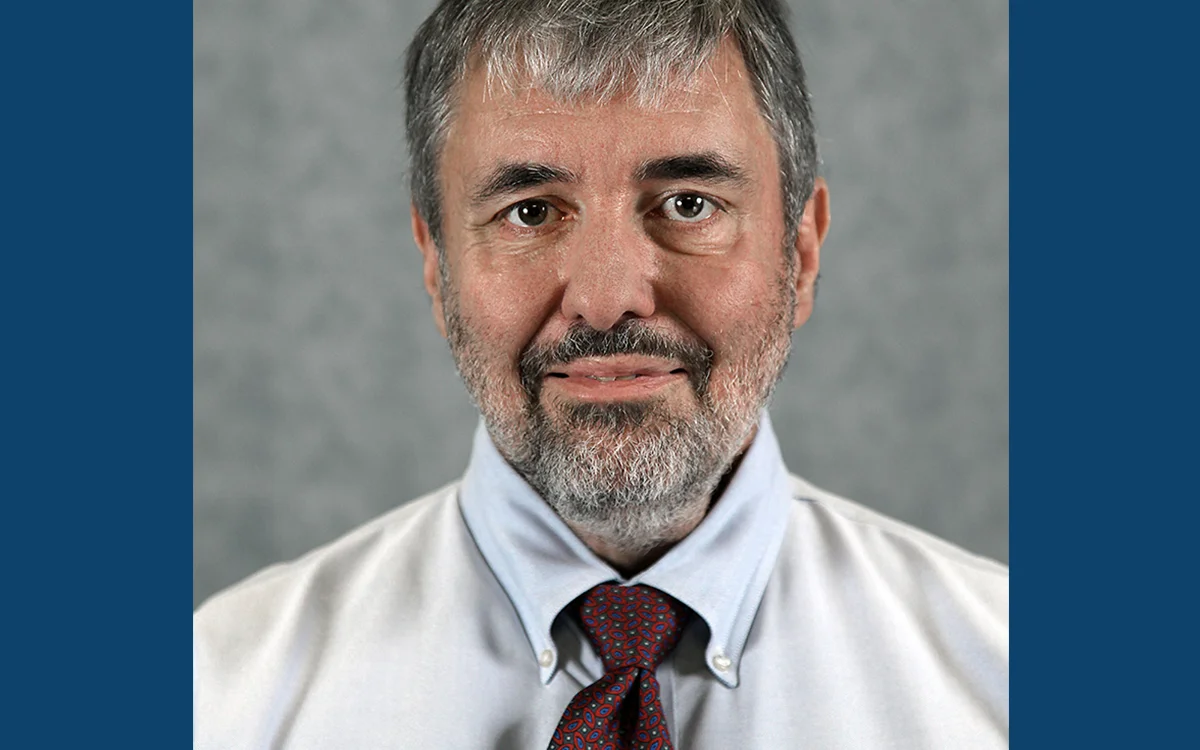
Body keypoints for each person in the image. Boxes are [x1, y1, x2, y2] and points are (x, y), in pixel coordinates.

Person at [193, 0, 1008, 747]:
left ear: (801, 254)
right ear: (436, 267)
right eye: (530, 211)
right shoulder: (218, 698)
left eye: (688, 202)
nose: (608, 298)